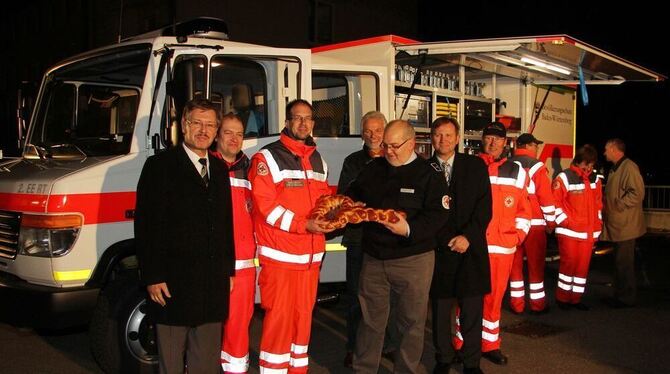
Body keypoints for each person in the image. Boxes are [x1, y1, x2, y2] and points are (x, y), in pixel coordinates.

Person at [135, 98, 235, 374]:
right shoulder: (160, 166)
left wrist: (228, 271)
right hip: (172, 284)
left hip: (211, 283)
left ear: (216, 131)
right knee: (171, 362)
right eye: (197, 123)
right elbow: (146, 226)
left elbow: (225, 224)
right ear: (184, 126)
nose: (203, 130)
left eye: (210, 125)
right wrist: (153, 277)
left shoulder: (218, 169)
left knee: (206, 361)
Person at [346, 120, 450, 373]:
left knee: (410, 324)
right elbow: (353, 194)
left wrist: (409, 229)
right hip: (374, 259)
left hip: (413, 260)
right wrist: (352, 206)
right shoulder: (373, 169)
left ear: (412, 143)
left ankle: (406, 369)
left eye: (395, 146)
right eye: (385, 146)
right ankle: (364, 369)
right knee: (370, 321)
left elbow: (439, 215)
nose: (389, 151)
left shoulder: (430, 174)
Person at [248, 99, 334, 373]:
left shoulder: (320, 160)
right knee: (279, 324)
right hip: (281, 259)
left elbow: (324, 203)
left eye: (308, 118)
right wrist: (304, 225)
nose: (303, 123)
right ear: (286, 122)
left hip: (309, 261)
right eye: (297, 118)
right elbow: (266, 208)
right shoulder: (267, 158)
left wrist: (331, 219)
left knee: (303, 324)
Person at [429, 117, 492, 374]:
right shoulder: (425, 169)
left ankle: (471, 363)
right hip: (440, 252)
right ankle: (443, 358)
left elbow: (484, 208)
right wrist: (444, 240)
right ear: (431, 138)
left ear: (457, 138)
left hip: (470, 250)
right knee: (441, 313)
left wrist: (468, 237)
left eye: (447, 135)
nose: (442, 140)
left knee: (471, 313)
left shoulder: (475, 166)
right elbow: (424, 213)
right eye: (437, 135)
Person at [336, 111, 398, 367]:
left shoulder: (395, 159)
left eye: (377, 130)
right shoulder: (352, 161)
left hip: (389, 241)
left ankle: (389, 345)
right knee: (356, 298)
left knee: (390, 298)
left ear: (385, 132)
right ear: (362, 132)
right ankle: (354, 348)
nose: (372, 135)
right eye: (368, 130)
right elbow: (344, 197)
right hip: (360, 239)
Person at [477, 122, 531, 366]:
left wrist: (517, 236)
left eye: (497, 139)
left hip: (503, 248)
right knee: (467, 298)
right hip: (474, 246)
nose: (492, 143)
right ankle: (460, 343)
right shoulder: (471, 166)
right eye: (488, 138)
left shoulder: (518, 172)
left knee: (494, 300)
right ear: (482, 140)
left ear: (505, 142)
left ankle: (490, 345)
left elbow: (524, 210)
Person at [210, 114, 256, 373]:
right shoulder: (203, 166)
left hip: (244, 267)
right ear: (218, 135)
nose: (234, 138)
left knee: (238, 330)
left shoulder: (251, 170)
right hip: (211, 264)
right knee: (203, 329)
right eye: (228, 132)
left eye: (239, 134)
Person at [508, 133, 556, 314]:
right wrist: (551, 221)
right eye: (536, 146)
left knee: (515, 268)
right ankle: (537, 305)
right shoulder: (537, 166)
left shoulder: (508, 164)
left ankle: (517, 304)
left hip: (513, 224)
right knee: (536, 268)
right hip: (534, 224)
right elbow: (546, 197)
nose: (537, 149)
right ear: (528, 146)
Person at [552, 144, 603, 311]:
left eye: (592, 164)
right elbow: (555, 204)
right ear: (579, 161)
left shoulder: (595, 179)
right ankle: (562, 298)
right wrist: (567, 222)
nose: (589, 168)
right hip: (569, 232)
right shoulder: (564, 177)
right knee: (568, 266)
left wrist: (598, 228)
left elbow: (598, 206)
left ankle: (576, 299)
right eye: (586, 164)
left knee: (582, 268)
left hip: (587, 233)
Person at [602, 138, 645, 308]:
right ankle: (620, 295)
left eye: (606, 149)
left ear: (614, 150)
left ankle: (625, 298)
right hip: (621, 224)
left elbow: (637, 193)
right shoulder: (618, 167)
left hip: (626, 224)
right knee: (620, 262)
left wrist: (619, 204)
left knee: (624, 263)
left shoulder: (628, 167)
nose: (604, 153)